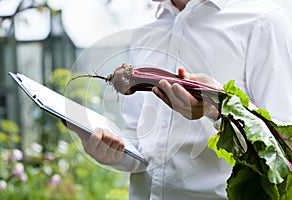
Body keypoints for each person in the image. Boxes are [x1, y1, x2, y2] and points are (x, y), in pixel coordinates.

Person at [67, 0, 292, 199]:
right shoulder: (145, 32)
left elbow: (281, 145)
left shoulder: (261, 21)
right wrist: (111, 151)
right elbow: (139, 144)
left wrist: (215, 109)